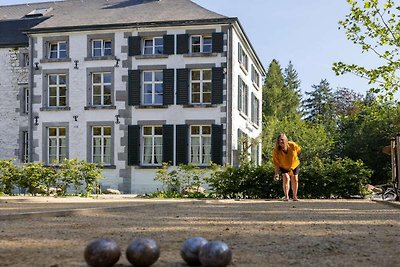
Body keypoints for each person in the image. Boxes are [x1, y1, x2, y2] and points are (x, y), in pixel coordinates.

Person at [272, 133, 301, 201]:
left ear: (286, 140)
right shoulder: (276, 151)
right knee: (286, 177)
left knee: (295, 179)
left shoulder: (292, 145)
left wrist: (294, 159)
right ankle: (286, 196)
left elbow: (299, 151)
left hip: (294, 164)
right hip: (283, 165)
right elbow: (276, 163)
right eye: (279, 141)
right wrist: (276, 174)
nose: (281, 142)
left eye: (282, 140)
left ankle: (294, 196)